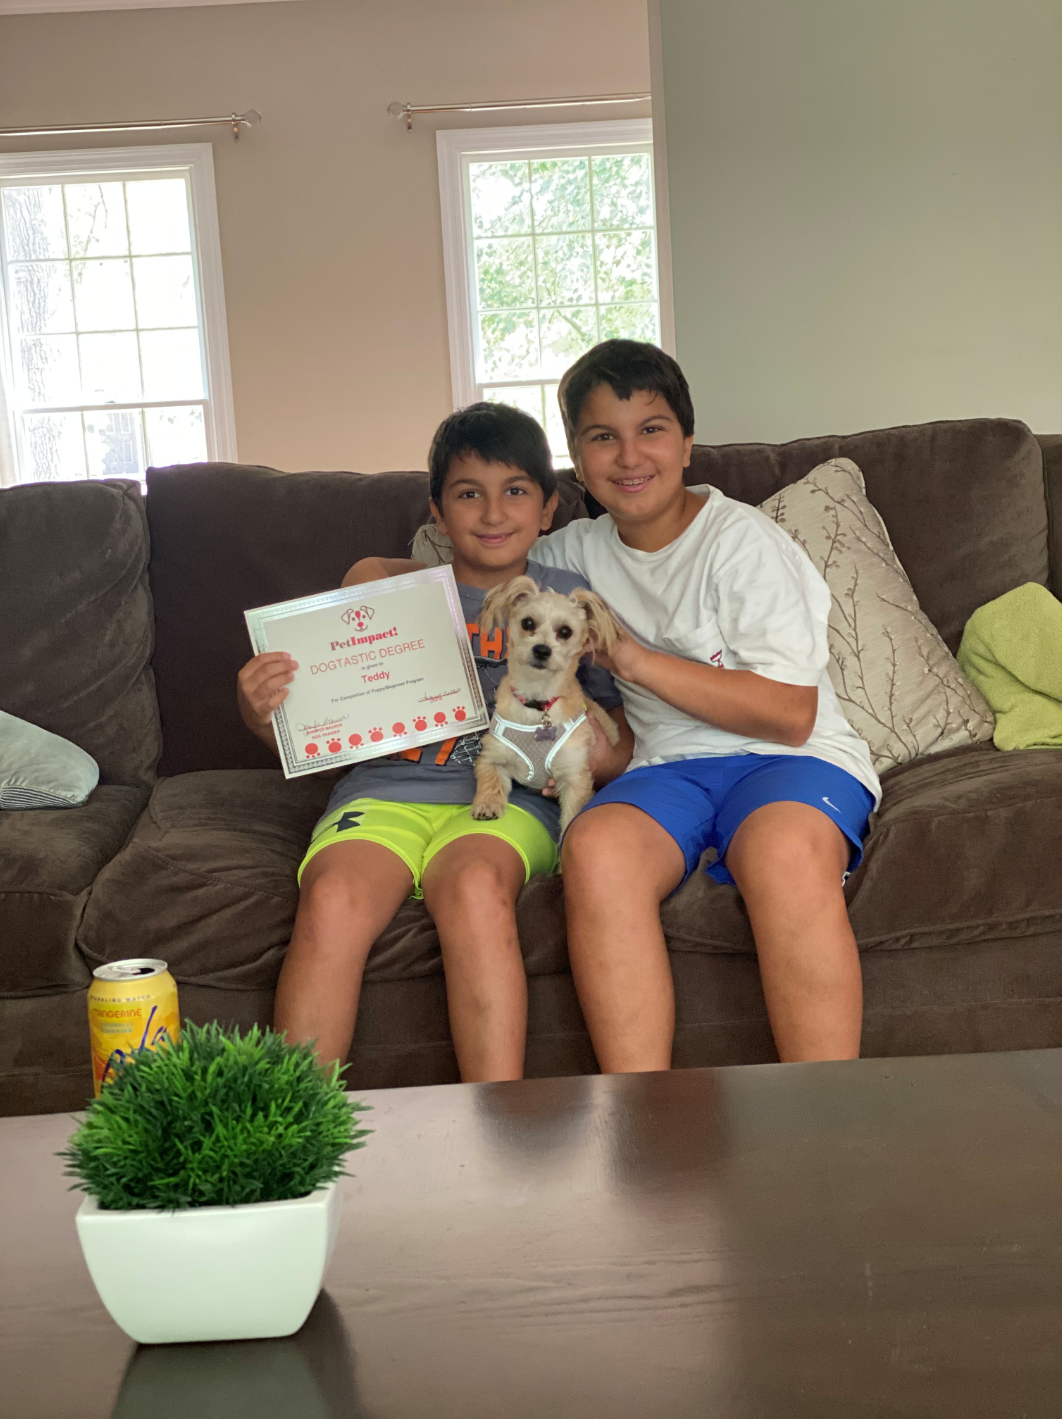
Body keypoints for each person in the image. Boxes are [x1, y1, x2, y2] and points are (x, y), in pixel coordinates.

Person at [236, 403, 631, 1082]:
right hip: (384, 789)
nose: (492, 511)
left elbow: (617, 742)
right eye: (468, 493)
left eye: (515, 491)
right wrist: (257, 709)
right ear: (438, 513)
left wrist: (593, 750)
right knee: (330, 897)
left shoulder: (569, 603)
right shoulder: (394, 596)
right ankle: (290, 1135)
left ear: (547, 509)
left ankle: (495, 1116)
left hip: (507, 800)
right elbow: (309, 726)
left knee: (475, 887)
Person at [531, 339, 881, 1070]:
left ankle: (829, 1122)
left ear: (688, 443)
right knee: (594, 851)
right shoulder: (574, 552)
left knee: (782, 853)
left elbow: (790, 712)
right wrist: (370, 573)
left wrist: (633, 659)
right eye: (603, 436)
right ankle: (641, 1123)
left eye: (651, 430)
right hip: (669, 768)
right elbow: (468, 572)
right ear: (577, 457)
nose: (630, 456)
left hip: (788, 758)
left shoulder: (742, 542)